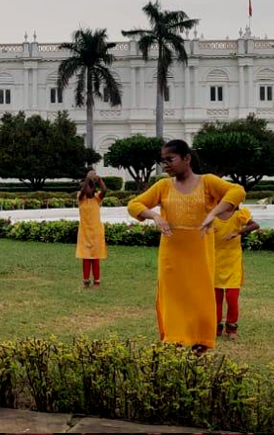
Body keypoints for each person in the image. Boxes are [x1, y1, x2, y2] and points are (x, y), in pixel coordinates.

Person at [127, 140, 245, 355]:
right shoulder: (163, 186)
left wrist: (212, 214)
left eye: (170, 160)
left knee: (200, 298)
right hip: (171, 254)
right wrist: (154, 216)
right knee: (173, 299)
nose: (166, 165)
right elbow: (134, 205)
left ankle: (201, 341)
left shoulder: (207, 182)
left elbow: (237, 192)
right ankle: (174, 340)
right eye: (163, 161)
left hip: (200, 253)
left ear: (187, 158)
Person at [213, 206, 259, 340]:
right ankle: (215, 327)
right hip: (215, 261)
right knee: (216, 299)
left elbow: (255, 225)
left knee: (232, 298)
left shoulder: (239, 214)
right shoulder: (211, 214)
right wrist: (208, 229)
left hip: (233, 261)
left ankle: (231, 329)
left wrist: (238, 232)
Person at [76, 169, 107, 288]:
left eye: (86, 186)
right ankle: (86, 281)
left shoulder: (97, 198)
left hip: (96, 233)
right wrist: (88, 178)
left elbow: (104, 190)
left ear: (92, 188)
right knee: (85, 257)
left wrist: (99, 180)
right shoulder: (81, 198)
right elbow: (83, 192)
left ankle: (97, 282)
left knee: (95, 258)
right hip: (84, 232)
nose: (83, 189)